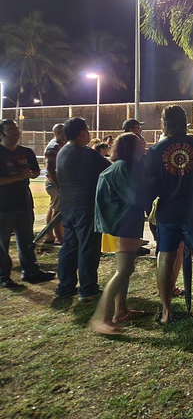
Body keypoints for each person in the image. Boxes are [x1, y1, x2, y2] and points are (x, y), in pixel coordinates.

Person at [145, 105, 193, 323]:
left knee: (165, 257)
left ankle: (166, 312)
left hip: (168, 210)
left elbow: (151, 185)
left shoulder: (156, 150)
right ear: (185, 122)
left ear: (164, 123)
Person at [89, 133, 148, 334]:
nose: (143, 146)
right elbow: (135, 197)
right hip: (121, 224)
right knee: (123, 270)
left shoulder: (117, 166)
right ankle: (101, 319)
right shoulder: (126, 168)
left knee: (126, 268)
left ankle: (120, 311)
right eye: (140, 144)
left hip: (118, 224)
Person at [55, 117, 111, 301]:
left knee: (70, 246)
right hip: (85, 207)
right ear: (82, 133)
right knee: (88, 247)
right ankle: (87, 289)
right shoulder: (87, 153)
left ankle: (65, 285)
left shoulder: (63, 152)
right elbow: (109, 169)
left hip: (68, 206)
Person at [0, 120, 55, 288]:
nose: (15, 132)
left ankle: (31, 271)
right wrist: (17, 177)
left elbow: (36, 171)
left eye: (16, 128)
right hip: (4, 206)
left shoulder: (26, 152)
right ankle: (3, 276)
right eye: (10, 129)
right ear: (2, 133)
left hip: (24, 203)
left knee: (27, 240)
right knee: (2, 243)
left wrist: (30, 173)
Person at [43, 123, 66, 245]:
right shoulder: (54, 147)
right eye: (64, 131)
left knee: (53, 207)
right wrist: (58, 185)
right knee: (58, 210)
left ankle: (49, 235)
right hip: (54, 183)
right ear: (58, 133)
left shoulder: (59, 145)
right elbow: (51, 169)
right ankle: (59, 237)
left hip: (54, 182)